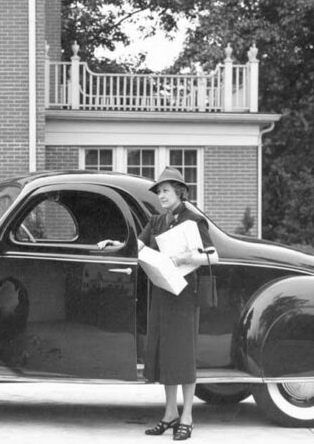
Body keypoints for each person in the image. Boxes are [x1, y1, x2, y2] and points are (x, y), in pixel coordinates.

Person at [99, 166, 216, 441]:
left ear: (179, 191)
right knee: (165, 354)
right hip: (162, 292)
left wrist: (187, 258)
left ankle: (187, 416)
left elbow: (213, 256)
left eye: (165, 191)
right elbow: (138, 247)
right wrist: (115, 243)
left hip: (185, 295)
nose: (161, 195)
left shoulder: (193, 220)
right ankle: (169, 414)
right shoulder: (156, 221)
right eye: (159, 191)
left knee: (184, 356)